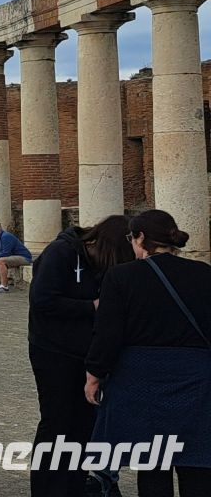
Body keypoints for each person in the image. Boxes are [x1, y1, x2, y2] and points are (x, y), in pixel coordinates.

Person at [86, 210, 211, 495]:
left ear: (140, 238)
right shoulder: (205, 274)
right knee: (198, 463)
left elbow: (107, 334)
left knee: (152, 464)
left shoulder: (122, 276)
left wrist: (94, 375)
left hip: (142, 378)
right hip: (197, 377)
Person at [27, 215, 131, 496]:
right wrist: (91, 307)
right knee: (57, 421)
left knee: (85, 424)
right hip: (53, 351)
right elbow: (42, 300)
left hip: (87, 354)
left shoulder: (101, 265)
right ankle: (47, 488)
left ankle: (74, 485)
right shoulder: (60, 253)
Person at [0, 223, 33, 292]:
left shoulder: (6, 236)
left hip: (24, 258)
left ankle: (4, 286)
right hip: (12, 257)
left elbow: (6, 253)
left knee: (1, 260)